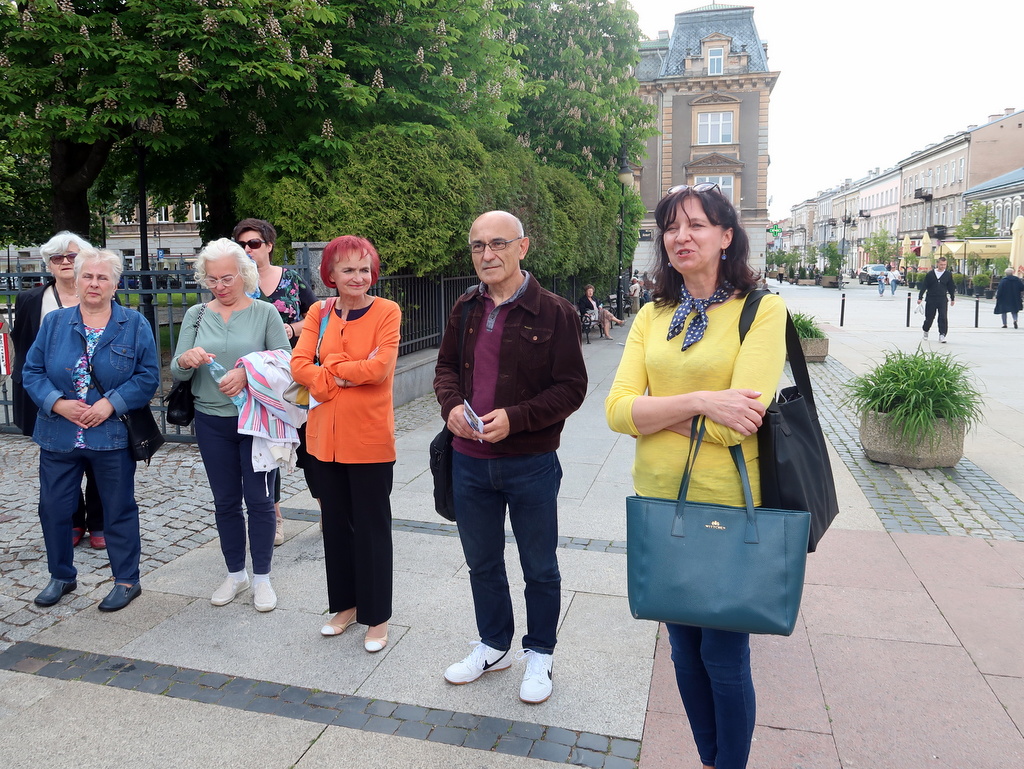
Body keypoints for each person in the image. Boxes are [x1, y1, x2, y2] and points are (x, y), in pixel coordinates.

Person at [605, 183, 787, 769]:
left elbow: (743, 423)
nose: (681, 236)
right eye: (671, 226)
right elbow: (616, 410)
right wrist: (705, 400)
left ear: (727, 236)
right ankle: (711, 759)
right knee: (682, 651)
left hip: (729, 505)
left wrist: (658, 413)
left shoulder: (761, 310)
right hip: (659, 501)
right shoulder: (652, 314)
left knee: (724, 657)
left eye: (697, 225)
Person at [434, 210, 587, 705]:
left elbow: (572, 388)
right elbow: (444, 369)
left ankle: (540, 652)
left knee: (539, 565)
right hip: (468, 459)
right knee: (482, 562)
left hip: (530, 462)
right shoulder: (466, 306)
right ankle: (494, 643)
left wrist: (517, 417)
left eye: (498, 243)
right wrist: (452, 405)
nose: (487, 254)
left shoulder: (556, 312)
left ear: (523, 247)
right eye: (478, 246)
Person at [23, 248, 159, 611]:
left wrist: (109, 403)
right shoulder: (55, 324)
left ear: (116, 284)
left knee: (118, 509)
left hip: (110, 436)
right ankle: (61, 576)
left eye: (102, 277)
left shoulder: (133, 324)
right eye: (87, 276)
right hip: (59, 434)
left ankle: (127, 580)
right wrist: (58, 402)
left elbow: (148, 376)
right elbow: (32, 372)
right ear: (76, 280)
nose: (94, 283)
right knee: (53, 508)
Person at [290, 236, 400, 653]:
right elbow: (299, 365)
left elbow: (379, 367)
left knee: (372, 529)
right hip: (322, 440)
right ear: (330, 275)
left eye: (364, 268)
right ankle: (345, 606)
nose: (358, 277)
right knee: (335, 525)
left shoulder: (387, 311)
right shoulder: (319, 312)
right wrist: (336, 376)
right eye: (348, 269)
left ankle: (377, 616)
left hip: (369, 438)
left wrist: (328, 368)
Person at [170, 238, 290, 612]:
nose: (220, 287)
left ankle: (263, 578)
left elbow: (284, 363)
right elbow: (175, 369)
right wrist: (187, 359)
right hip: (211, 420)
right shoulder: (196, 315)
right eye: (212, 280)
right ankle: (235, 573)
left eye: (227, 278)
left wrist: (245, 371)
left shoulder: (265, 313)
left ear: (244, 274)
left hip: (255, 422)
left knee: (259, 499)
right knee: (224, 501)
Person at [11, 232, 106, 549]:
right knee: (60, 463)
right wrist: (50, 398)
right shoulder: (31, 300)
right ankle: (74, 521)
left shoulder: (101, 293)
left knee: (99, 461)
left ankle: (100, 522)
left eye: (73, 256)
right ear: (48, 264)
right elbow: (23, 348)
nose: (66, 262)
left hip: (97, 399)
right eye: (57, 258)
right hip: (51, 400)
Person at [231, 218, 318, 546]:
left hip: (297, 376)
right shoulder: (239, 285)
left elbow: (318, 314)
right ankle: (276, 519)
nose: (247, 250)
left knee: (310, 445)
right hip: (258, 381)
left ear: (268, 245)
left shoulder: (291, 280)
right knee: (267, 447)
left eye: (253, 243)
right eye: (241, 245)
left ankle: (327, 508)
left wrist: (293, 330)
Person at [918, 256, 956, 342]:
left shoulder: (948, 275)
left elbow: (951, 287)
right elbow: (924, 286)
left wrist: (952, 298)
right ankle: (926, 330)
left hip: (942, 299)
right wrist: (920, 297)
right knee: (929, 317)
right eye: (941, 264)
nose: (943, 266)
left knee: (943, 317)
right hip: (931, 298)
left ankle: (942, 334)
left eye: (945, 265)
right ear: (937, 264)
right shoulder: (930, 274)